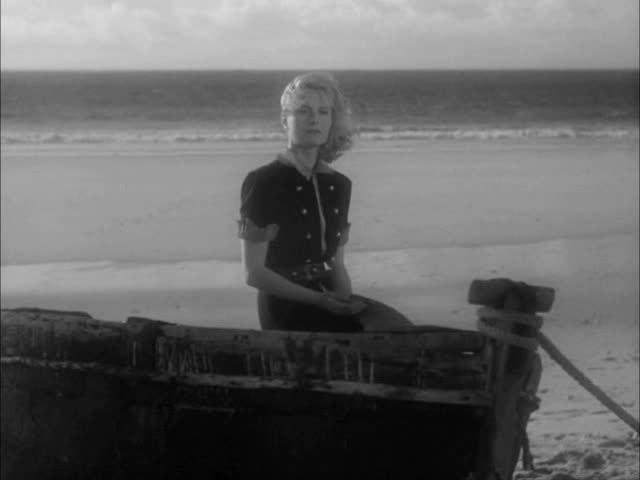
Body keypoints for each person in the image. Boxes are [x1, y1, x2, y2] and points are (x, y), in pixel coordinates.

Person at [238, 71, 413, 332]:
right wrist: (321, 302)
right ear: (285, 120)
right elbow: (254, 274)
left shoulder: (339, 185)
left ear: (332, 120)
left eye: (323, 112)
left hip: (329, 299)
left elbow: (337, 264)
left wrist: (344, 302)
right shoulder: (263, 182)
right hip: (284, 308)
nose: (314, 120)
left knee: (398, 331)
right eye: (303, 111)